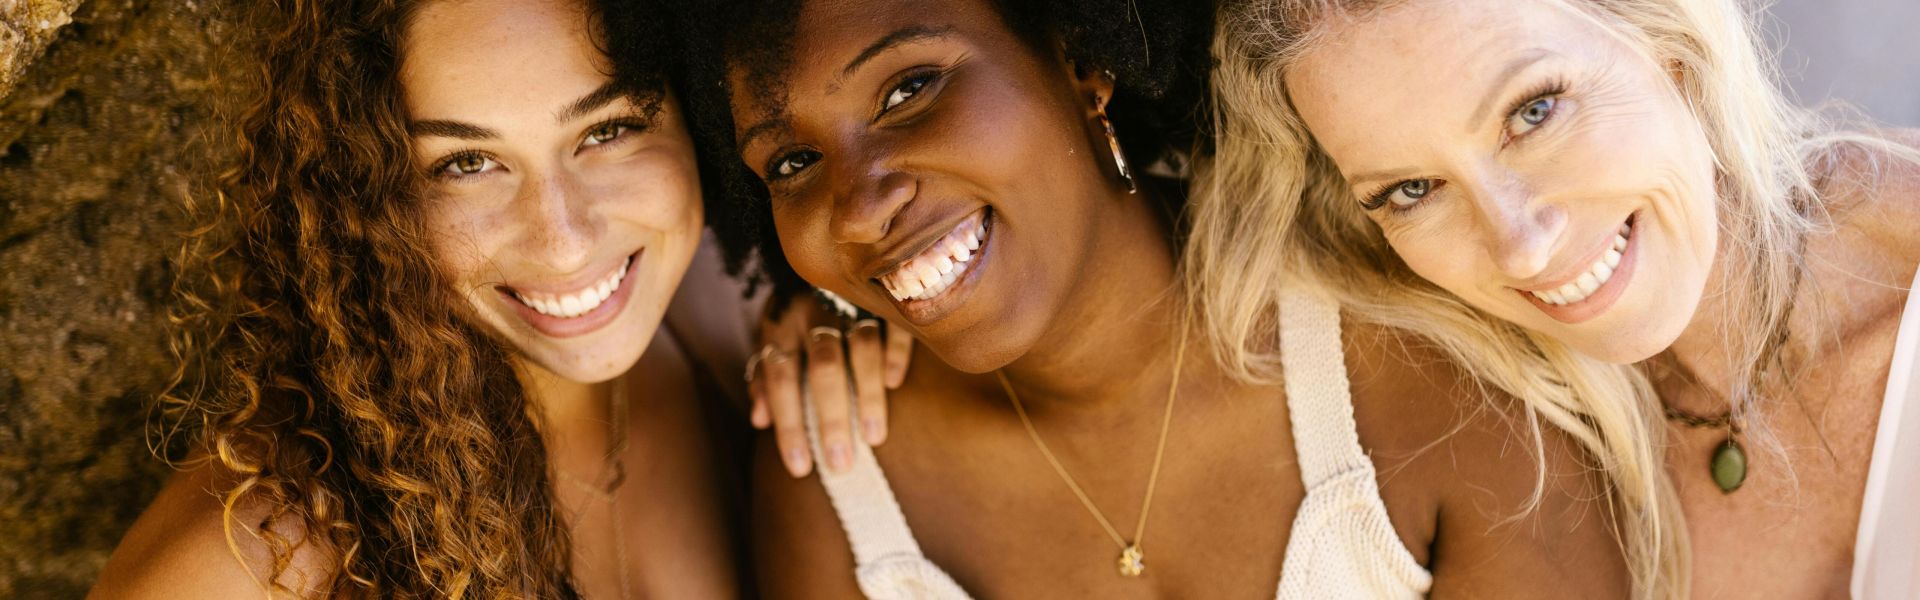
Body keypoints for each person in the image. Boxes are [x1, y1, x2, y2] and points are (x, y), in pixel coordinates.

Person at [631, 0, 1660, 596]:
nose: (860, 207)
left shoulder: (1415, 373)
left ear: (1082, 60)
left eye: (910, 90)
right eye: (793, 161)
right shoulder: (836, 477)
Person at [86, 0, 884, 595]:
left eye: (607, 130)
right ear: (361, 195)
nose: (564, 240)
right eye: (466, 163)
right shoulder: (259, 554)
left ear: (699, 114)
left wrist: (853, 335)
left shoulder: (733, 326)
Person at [1193, 0, 1920, 596]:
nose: (1522, 247)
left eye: (1534, 111)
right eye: (1412, 190)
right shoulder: (1492, 441)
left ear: (1663, 33)